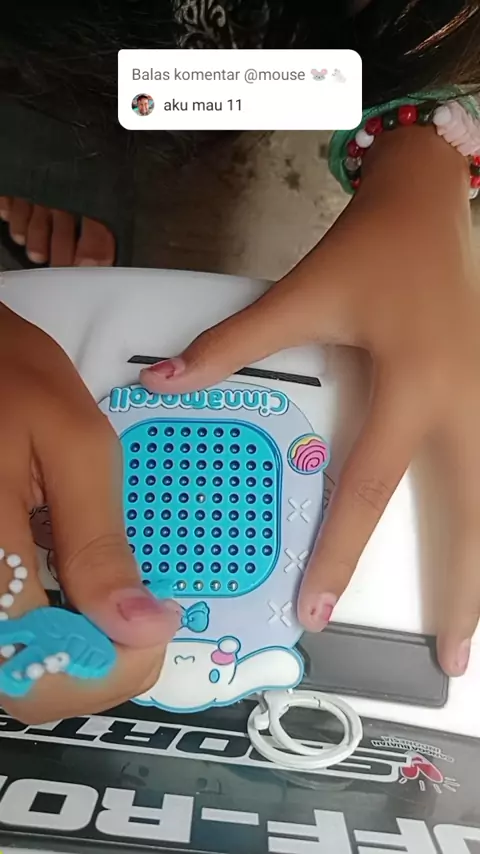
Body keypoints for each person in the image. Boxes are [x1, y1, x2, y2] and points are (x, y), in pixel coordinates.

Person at [0, 0, 480, 724]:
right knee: (69, 111)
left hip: (226, 60)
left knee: (129, 107)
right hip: (49, 64)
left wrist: (424, 139)